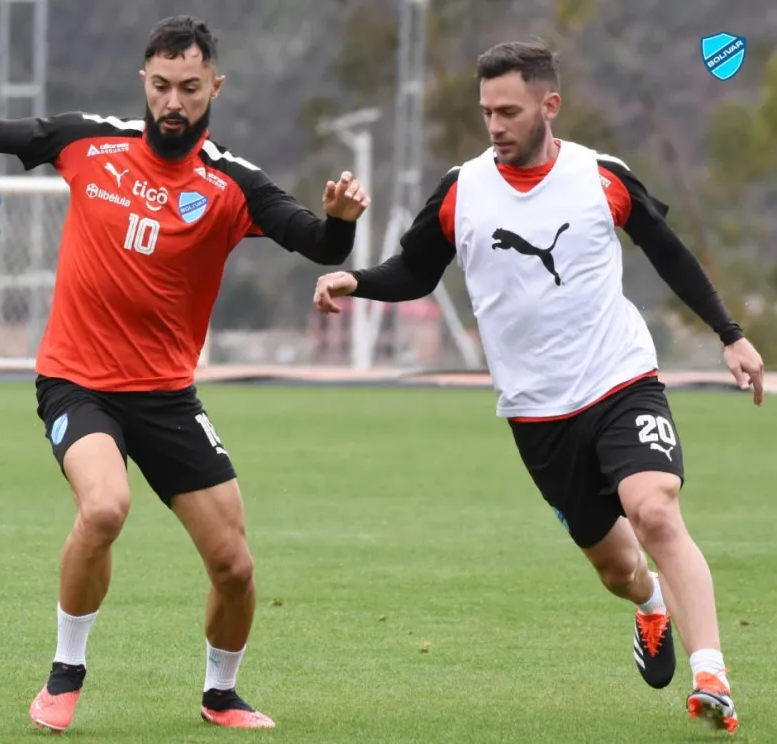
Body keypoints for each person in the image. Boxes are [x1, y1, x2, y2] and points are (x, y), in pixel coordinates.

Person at [0, 14, 369, 733]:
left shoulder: (232, 184)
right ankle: (65, 673)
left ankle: (221, 694)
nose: (173, 101)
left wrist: (342, 222)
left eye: (189, 88)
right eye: (161, 85)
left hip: (166, 396)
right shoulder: (88, 141)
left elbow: (317, 241)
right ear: (144, 80)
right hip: (78, 381)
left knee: (236, 567)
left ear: (214, 86)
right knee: (105, 507)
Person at [312, 40, 763, 735]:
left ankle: (713, 676)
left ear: (550, 106)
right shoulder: (462, 189)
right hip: (537, 414)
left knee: (656, 511)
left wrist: (729, 333)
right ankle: (650, 607)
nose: (495, 125)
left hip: (622, 381)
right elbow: (415, 271)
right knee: (618, 568)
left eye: (510, 111)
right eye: (487, 111)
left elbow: (668, 253)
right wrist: (357, 281)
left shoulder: (600, 176)